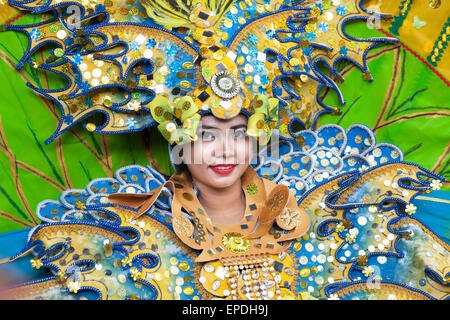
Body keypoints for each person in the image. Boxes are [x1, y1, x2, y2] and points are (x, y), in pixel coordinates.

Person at [0, 0, 448, 301]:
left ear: (258, 136)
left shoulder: (325, 215)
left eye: (237, 132)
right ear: (177, 138)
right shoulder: (130, 231)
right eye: (206, 134)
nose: (223, 150)